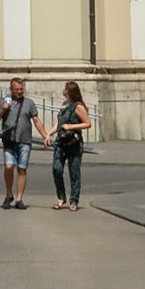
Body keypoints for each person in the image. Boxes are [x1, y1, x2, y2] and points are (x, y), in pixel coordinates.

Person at [0, 77, 48, 210]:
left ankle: (19, 198)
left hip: (24, 140)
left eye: (21, 89)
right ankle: (9, 194)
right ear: (11, 89)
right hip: (9, 139)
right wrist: (3, 110)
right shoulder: (4, 101)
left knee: (22, 169)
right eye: (16, 89)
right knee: (9, 167)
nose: (19, 92)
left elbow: (36, 120)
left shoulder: (29, 103)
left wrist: (45, 136)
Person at [49, 81, 90, 211]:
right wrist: (49, 133)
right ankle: (61, 197)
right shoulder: (64, 105)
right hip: (61, 142)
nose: (63, 90)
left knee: (74, 172)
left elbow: (87, 123)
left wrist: (71, 126)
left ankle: (74, 201)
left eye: (65, 88)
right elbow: (60, 123)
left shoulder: (78, 106)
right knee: (57, 169)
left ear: (69, 91)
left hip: (74, 143)